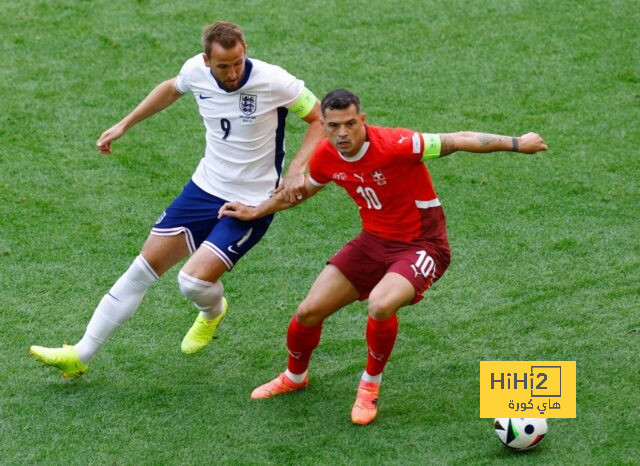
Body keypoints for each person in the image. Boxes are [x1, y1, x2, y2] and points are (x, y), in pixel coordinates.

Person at [218, 88, 548, 425]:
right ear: (325, 126)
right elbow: (300, 193)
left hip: (423, 245)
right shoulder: (325, 156)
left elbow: (458, 139)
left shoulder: (398, 145)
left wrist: (518, 143)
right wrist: (255, 211)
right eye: (333, 126)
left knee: (380, 304)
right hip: (372, 242)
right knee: (308, 311)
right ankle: (294, 376)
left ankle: (369, 386)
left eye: (350, 124)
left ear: (362, 120)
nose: (342, 133)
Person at [29, 21, 324, 379]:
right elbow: (171, 89)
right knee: (142, 269)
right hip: (204, 188)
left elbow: (318, 116)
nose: (232, 73)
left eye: (238, 62)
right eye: (223, 66)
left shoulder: (274, 80)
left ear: (245, 50)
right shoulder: (194, 72)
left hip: (253, 200)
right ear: (206, 61)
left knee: (193, 283)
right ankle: (81, 354)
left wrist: (296, 169)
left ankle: (213, 310)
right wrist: (125, 124)